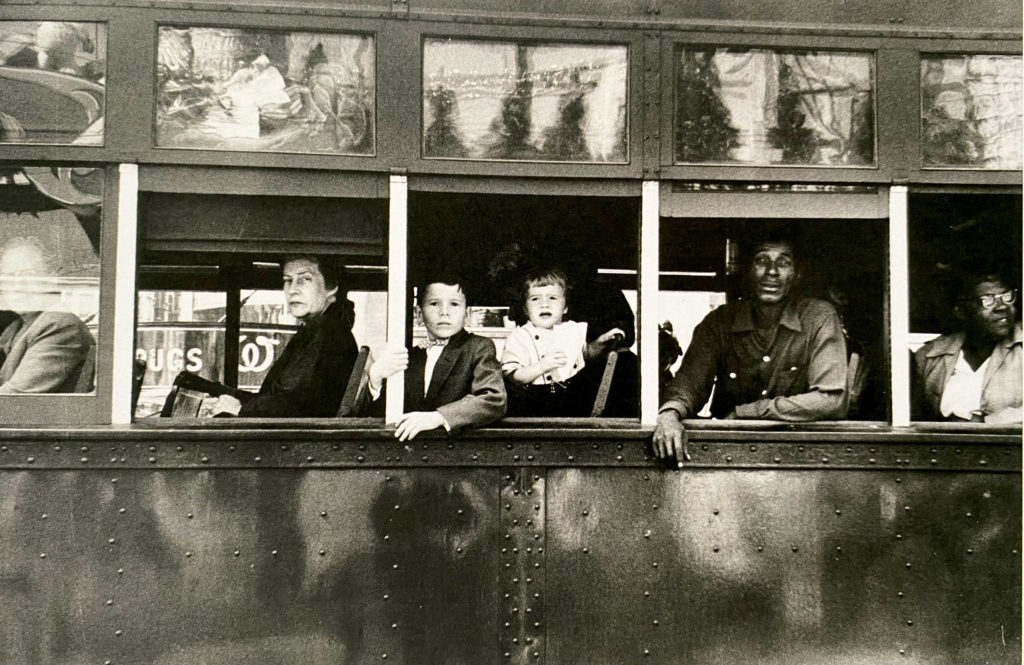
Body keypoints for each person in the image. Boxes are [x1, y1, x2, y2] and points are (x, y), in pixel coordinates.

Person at [652, 233, 848, 466]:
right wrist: (669, 414)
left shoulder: (819, 317)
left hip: (800, 457)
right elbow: (689, 383)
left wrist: (747, 412)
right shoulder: (719, 322)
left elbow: (830, 399)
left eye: (783, 262)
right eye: (762, 260)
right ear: (748, 270)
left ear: (797, 274)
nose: (772, 271)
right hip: (728, 456)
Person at [360, 275, 506, 440]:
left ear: (466, 313)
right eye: (434, 303)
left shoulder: (478, 347)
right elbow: (380, 416)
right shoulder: (410, 356)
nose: (444, 312)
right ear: (419, 313)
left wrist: (437, 417)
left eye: (454, 304)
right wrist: (376, 378)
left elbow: (493, 399)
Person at [212, 255, 358, 417]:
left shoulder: (328, 334)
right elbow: (283, 397)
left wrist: (239, 409)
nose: (292, 290)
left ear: (331, 287)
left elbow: (289, 404)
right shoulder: (317, 329)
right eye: (287, 280)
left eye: (305, 279)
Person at [501, 268, 624, 416]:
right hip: (535, 400)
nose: (544, 304)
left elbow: (583, 356)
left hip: (571, 397)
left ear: (565, 307)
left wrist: (600, 342)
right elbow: (513, 376)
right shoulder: (520, 336)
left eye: (552, 298)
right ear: (526, 309)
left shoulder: (571, 330)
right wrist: (542, 366)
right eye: (535, 299)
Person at [912, 272, 1021, 424]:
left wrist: (986, 422)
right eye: (987, 300)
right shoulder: (930, 355)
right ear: (961, 311)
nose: (1002, 307)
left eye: (1007, 296)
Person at [0, 236, 95, 393]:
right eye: (8, 276)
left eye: (28, 274)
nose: (17, 284)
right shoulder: (15, 328)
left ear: (52, 278)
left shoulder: (60, 324)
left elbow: (14, 397)